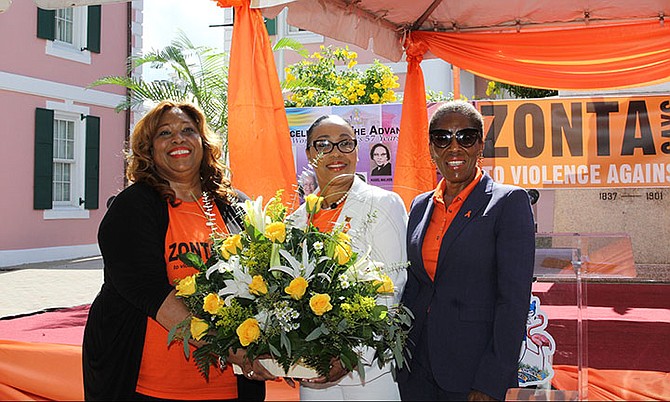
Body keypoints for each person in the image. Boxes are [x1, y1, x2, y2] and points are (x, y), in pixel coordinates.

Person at [82, 101, 272, 400]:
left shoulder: (235, 205)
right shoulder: (132, 208)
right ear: (149, 149)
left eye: (188, 130)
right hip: (150, 386)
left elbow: (265, 281)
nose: (178, 139)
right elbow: (151, 293)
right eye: (164, 133)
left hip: (231, 386)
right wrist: (230, 349)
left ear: (203, 142)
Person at [397, 101, 535, 401]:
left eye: (466, 137)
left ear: (480, 145)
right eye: (442, 138)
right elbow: (416, 287)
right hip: (417, 368)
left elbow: (513, 302)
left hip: (474, 373)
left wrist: (491, 381)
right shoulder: (420, 206)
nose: (454, 147)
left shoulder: (508, 203)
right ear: (432, 148)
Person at [289, 115, 408, 400]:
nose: (336, 153)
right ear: (309, 154)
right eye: (324, 145)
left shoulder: (382, 204)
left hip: (369, 372)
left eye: (345, 144)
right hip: (313, 372)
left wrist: (349, 355)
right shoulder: (294, 221)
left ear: (356, 150)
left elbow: (391, 287)